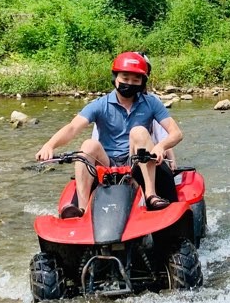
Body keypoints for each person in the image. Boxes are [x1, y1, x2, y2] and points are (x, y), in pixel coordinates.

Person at [35, 51, 183, 218]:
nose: (130, 83)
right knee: (88, 144)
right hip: (107, 163)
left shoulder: (152, 103)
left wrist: (161, 146)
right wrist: (49, 145)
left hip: (135, 160)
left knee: (139, 131)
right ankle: (82, 209)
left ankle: (151, 195)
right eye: (125, 78)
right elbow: (72, 128)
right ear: (115, 78)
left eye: (136, 80)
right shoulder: (100, 104)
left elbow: (176, 133)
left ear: (142, 82)